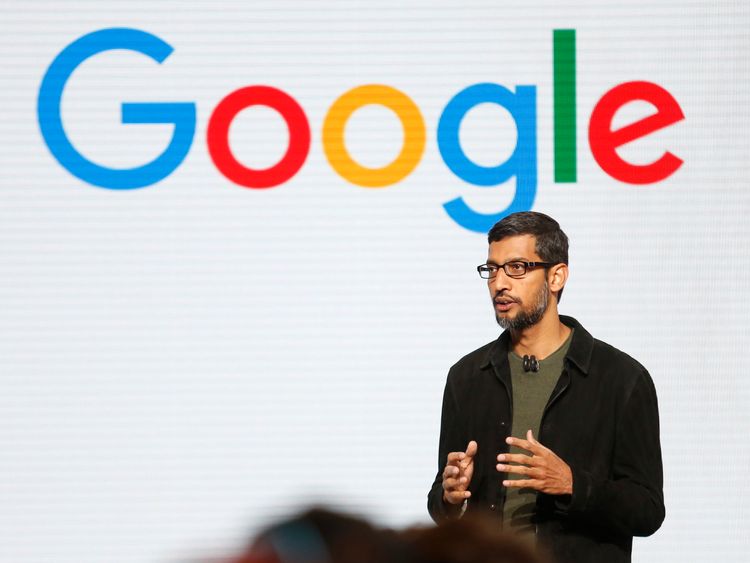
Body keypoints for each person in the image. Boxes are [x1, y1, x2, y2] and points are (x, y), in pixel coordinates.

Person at [427, 212, 664, 563]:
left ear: (557, 276)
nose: (499, 283)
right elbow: (440, 504)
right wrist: (450, 497)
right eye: (492, 269)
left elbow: (647, 510)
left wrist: (572, 484)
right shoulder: (467, 377)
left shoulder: (621, 379)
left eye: (517, 268)